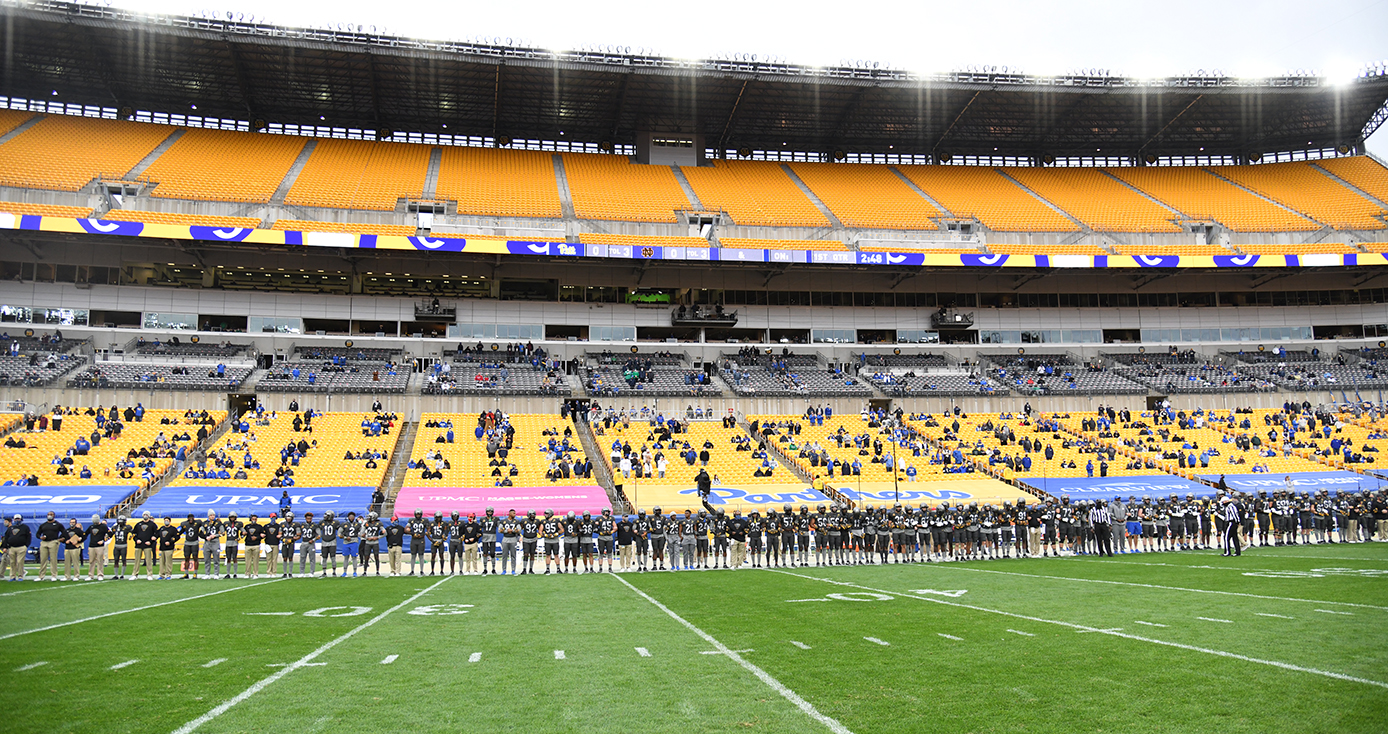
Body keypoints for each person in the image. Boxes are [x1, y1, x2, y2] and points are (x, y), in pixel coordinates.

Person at [35, 511, 64, 581]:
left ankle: (54, 575)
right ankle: (41, 576)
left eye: (51, 514)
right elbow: (37, 534)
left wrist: (60, 538)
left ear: (54, 515)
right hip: (44, 542)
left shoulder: (57, 524)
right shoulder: (43, 525)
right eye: (48, 514)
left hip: (53, 542)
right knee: (43, 560)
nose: (49, 516)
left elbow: (64, 532)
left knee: (53, 559)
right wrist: (41, 537)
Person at [132, 511, 159, 581]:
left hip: (147, 545)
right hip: (138, 545)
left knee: (148, 560)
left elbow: (156, 534)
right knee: (137, 560)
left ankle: (149, 574)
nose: (145, 516)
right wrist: (136, 540)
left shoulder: (152, 524)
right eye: (144, 514)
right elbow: (134, 534)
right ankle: (134, 574)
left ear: (149, 516)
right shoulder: (138, 524)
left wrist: (150, 541)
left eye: (146, 515)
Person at [5, 514, 31, 580]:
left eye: (18, 519)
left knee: (20, 562)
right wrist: (6, 546)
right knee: (12, 562)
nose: (17, 520)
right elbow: (6, 538)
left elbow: (29, 537)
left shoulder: (25, 527)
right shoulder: (10, 528)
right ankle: (12, 576)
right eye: (16, 519)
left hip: (21, 547)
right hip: (12, 547)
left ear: (21, 519)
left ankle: (20, 576)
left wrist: (26, 546)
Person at [84, 515, 109, 580]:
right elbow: (85, 534)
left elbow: (110, 534)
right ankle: (90, 575)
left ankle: (100, 574)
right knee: (91, 561)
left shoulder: (103, 526)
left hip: (100, 546)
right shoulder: (91, 527)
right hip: (92, 546)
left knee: (99, 560)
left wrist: (103, 540)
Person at [200, 510, 223, 579]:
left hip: (215, 542)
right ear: (208, 516)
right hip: (207, 542)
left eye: (213, 515)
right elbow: (200, 533)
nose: (212, 516)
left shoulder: (218, 522)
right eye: (211, 515)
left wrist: (215, 535)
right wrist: (206, 537)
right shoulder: (204, 523)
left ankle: (216, 574)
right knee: (207, 559)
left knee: (216, 559)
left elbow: (222, 533)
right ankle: (207, 574)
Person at [498, 509, 521, 575]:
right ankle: (504, 570)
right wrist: (506, 531)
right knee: (504, 555)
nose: (515, 514)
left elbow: (519, 530)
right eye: (513, 513)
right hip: (505, 538)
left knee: (513, 555)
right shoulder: (503, 521)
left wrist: (513, 531)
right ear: (510, 513)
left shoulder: (516, 521)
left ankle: (513, 570)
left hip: (513, 538)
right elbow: (500, 530)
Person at [180, 513, 200, 579]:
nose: (190, 519)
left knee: (195, 557)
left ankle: (195, 573)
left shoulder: (197, 523)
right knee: (186, 557)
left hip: (194, 542)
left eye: (192, 518)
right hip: (187, 542)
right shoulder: (185, 524)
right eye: (189, 518)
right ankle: (186, 573)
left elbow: (202, 525)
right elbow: (180, 532)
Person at [338, 511, 359, 578]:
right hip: (346, 542)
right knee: (346, 557)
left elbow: (362, 531)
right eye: (350, 516)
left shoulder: (357, 524)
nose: (351, 518)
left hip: (354, 541)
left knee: (354, 557)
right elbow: (339, 533)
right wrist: (345, 537)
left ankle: (355, 571)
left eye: (352, 517)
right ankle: (344, 572)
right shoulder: (344, 524)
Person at [110, 515, 130, 579]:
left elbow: (133, 532)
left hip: (123, 545)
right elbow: (110, 534)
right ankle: (116, 575)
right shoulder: (115, 527)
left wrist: (132, 535)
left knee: (123, 560)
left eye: (121, 521)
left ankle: (122, 575)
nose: (120, 522)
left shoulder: (127, 527)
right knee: (116, 560)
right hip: (116, 545)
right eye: (119, 521)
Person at [298, 511, 318, 577]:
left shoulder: (315, 525)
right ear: (305, 518)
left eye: (310, 518)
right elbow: (299, 534)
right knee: (302, 558)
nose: (309, 519)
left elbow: (318, 535)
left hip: (311, 543)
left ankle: (312, 572)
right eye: (307, 518)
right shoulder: (303, 525)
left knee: (312, 558)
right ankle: (301, 572)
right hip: (304, 542)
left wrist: (313, 540)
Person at [223, 512, 243, 578]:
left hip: (234, 543)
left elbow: (243, 531)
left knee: (234, 558)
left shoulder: (238, 524)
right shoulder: (226, 524)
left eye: (233, 517)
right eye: (231, 517)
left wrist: (240, 537)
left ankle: (235, 573)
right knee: (228, 558)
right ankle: (228, 573)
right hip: (228, 542)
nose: (232, 518)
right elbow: (222, 530)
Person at [244, 514, 264, 578]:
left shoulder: (259, 527)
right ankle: (247, 573)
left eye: (255, 519)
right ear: (250, 519)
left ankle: (255, 573)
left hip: (256, 545)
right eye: (253, 519)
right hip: (248, 544)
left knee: (256, 560)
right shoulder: (247, 526)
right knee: (248, 560)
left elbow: (262, 536)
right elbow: (243, 534)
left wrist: (257, 537)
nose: (254, 520)